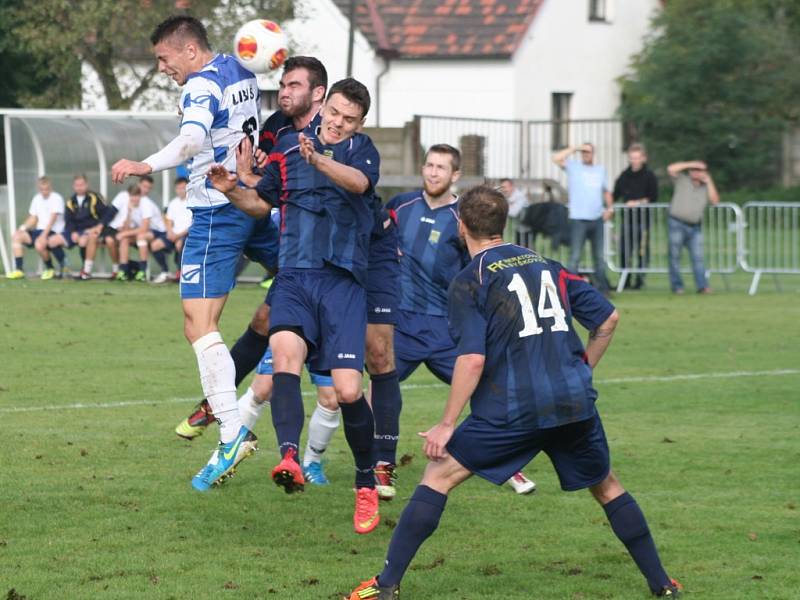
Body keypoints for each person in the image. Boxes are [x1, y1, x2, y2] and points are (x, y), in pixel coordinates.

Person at [347, 185, 682, 600]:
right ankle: (662, 584)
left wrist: (446, 424)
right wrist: (581, 371)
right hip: (573, 402)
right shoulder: (548, 264)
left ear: (461, 224)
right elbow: (608, 319)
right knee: (607, 486)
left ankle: (384, 586)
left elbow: (471, 360)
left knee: (438, 475)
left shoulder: (472, 278)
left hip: (514, 408)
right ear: (502, 223)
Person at [208, 78, 383, 534]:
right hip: (294, 278)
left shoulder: (362, 151)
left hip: (342, 283)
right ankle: (289, 456)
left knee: (347, 391)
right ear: (324, 106)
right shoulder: (286, 149)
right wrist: (231, 189)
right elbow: (260, 204)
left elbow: (359, 183)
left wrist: (318, 159)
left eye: (349, 120)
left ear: (360, 123)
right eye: (335, 114)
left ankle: (366, 483)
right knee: (285, 357)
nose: (339, 124)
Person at [110, 15, 277, 491]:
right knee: (298, 279)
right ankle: (284, 361)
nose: (162, 67)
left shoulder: (200, 85)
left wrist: (146, 163)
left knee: (198, 325)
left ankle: (231, 431)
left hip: (216, 211)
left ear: (188, 50)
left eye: (164, 58)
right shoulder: (240, 72)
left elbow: (191, 139)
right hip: (253, 201)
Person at [382, 145, 535, 498]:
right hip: (402, 323)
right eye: (429, 165)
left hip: (445, 326)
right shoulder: (400, 206)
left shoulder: (464, 218)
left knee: (487, 391)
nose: (433, 172)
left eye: (442, 168)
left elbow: (481, 267)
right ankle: (381, 466)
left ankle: (508, 463)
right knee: (380, 390)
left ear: (455, 176)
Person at [553, 143, 613, 294]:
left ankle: (603, 288)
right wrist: (575, 148)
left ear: (593, 153)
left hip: (597, 218)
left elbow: (606, 192)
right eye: (583, 152)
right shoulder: (574, 167)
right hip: (579, 218)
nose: (586, 154)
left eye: (588, 151)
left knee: (599, 257)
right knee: (575, 256)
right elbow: (556, 158)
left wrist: (610, 208)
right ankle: (570, 289)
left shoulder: (600, 170)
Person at [666, 161, 720, 294]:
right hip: (676, 223)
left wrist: (709, 181)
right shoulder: (682, 180)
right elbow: (671, 169)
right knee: (674, 257)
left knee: (698, 258)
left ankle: (702, 286)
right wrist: (691, 163)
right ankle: (677, 286)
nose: (696, 172)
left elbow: (715, 201)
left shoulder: (706, 186)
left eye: (699, 170)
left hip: (695, 227)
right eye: (693, 170)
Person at [613, 144, 658, 290]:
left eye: (637, 158)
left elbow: (653, 197)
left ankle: (639, 281)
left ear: (643, 158)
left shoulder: (649, 175)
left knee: (642, 251)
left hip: (642, 221)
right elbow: (615, 195)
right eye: (632, 158)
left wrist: (637, 202)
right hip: (627, 221)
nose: (635, 161)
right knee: (624, 251)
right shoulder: (624, 175)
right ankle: (625, 280)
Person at [7, 176, 66, 280]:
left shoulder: (56, 198)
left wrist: (43, 236)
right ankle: (19, 270)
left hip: (53, 231)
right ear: (39, 188)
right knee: (17, 236)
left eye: (46, 189)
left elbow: (52, 219)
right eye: (42, 189)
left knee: (39, 244)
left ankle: (50, 269)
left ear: (50, 187)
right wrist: (22, 228)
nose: (44, 192)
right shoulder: (36, 198)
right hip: (39, 231)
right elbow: (33, 218)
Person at [104, 175, 156, 279]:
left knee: (140, 237)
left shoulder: (146, 203)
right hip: (143, 231)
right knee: (124, 239)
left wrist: (123, 233)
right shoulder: (130, 204)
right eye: (132, 196)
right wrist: (128, 212)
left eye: (136, 196)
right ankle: (123, 271)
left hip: (157, 231)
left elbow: (144, 228)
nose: (134, 198)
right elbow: (128, 228)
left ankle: (142, 271)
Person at [63, 174, 107, 280]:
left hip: (93, 231)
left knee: (83, 241)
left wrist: (97, 227)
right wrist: (72, 232)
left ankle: (86, 271)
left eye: (82, 184)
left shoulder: (94, 198)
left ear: (86, 185)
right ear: (73, 186)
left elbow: (105, 215)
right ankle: (63, 267)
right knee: (52, 241)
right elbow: (68, 220)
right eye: (77, 185)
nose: (79, 187)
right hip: (76, 232)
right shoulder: (70, 201)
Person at [154, 176, 192, 282]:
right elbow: (169, 220)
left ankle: (180, 273)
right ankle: (165, 272)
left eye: (183, 188)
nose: (180, 191)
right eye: (178, 188)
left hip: (187, 234)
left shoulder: (193, 201)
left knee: (180, 245)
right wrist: (170, 232)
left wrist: (179, 236)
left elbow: (193, 224)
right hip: (173, 234)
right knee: (155, 245)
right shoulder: (173, 203)